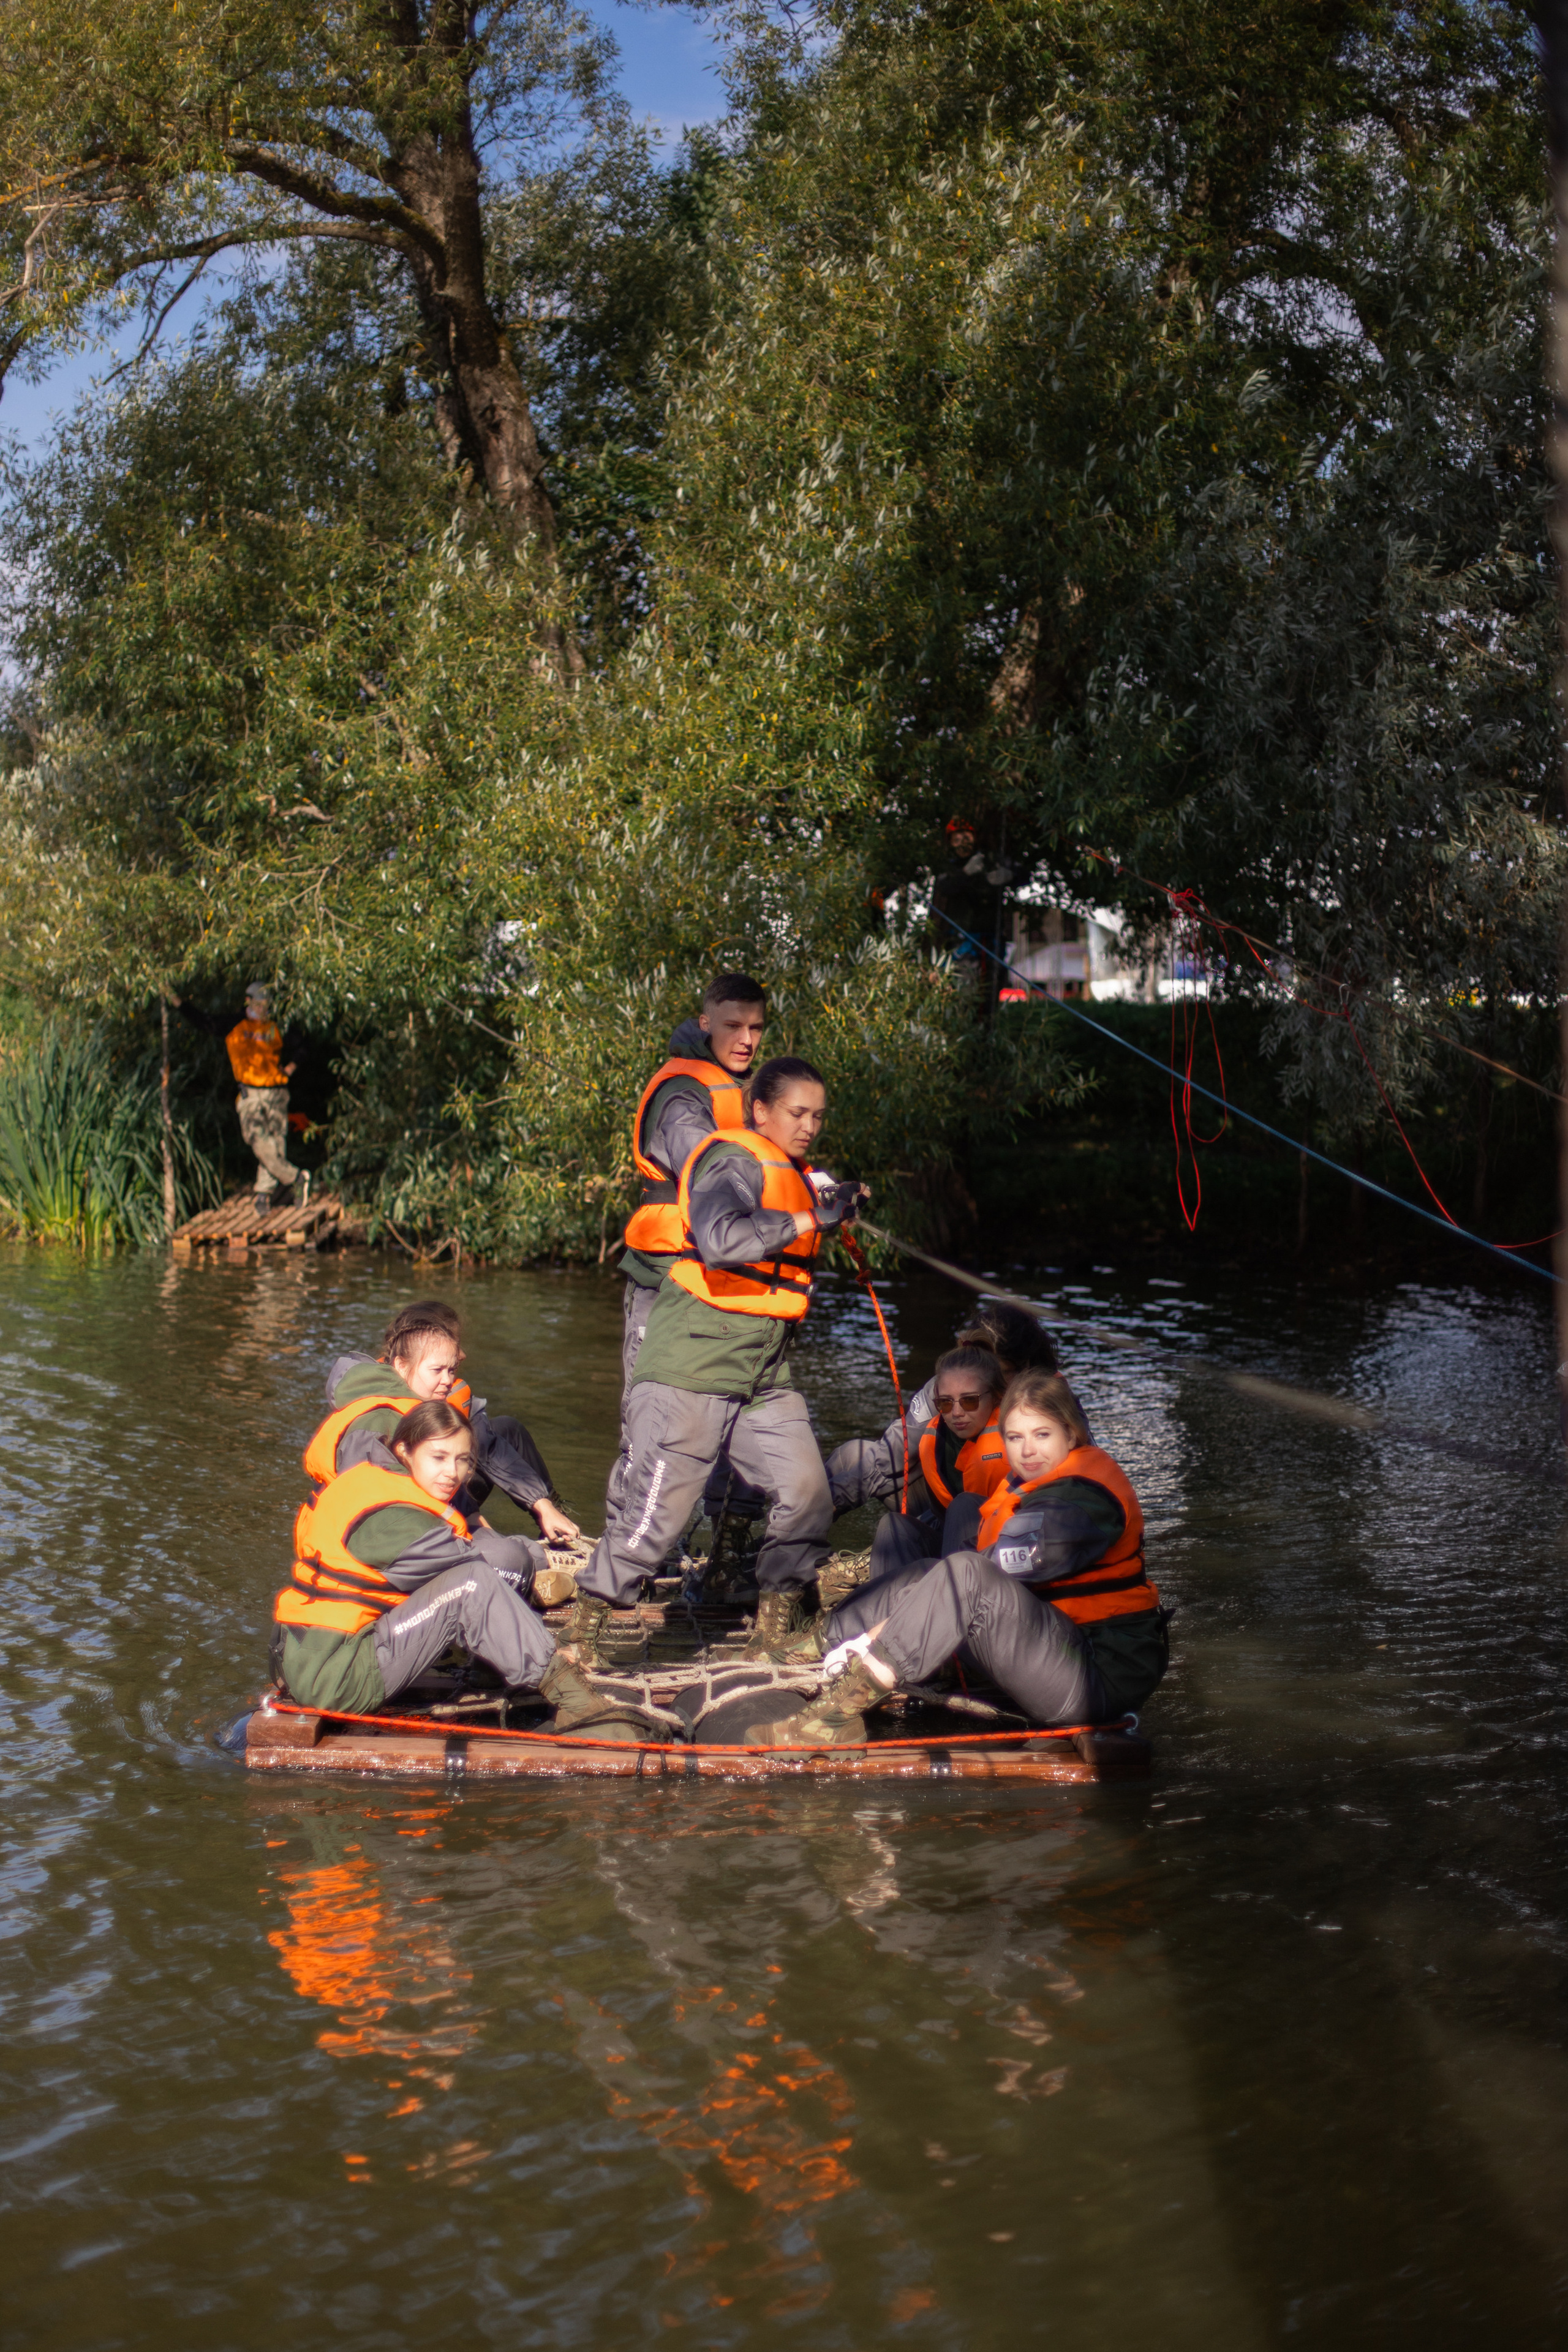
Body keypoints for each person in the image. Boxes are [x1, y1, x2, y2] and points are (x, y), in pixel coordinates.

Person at [562, 1055, 866, 1664]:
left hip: (762, 1372)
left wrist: (828, 1206)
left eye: (818, 1117)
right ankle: (580, 1641)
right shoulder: (732, 1160)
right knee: (654, 1527)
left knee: (806, 1493)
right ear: (760, 1111)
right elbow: (723, 1240)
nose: (809, 1127)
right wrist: (812, 1215)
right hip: (693, 1364)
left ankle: (774, 1626)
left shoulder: (799, 1176)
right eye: (796, 1113)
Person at [753, 1370, 1165, 1746]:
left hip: (1097, 1677)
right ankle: (810, 1646)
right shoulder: (1029, 1481)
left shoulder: (1085, 1495)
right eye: (1016, 1438)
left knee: (962, 1574)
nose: (1027, 1450)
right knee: (931, 1572)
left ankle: (840, 1714)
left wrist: (880, 1636)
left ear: (1071, 1436)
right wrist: (880, 1624)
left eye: (1043, 1435)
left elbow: (1011, 1563)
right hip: (1057, 1646)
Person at [272, 1400, 647, 1740]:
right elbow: (484, 1574)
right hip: (339, 1678)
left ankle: (507, 1663)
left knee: (472, 1580)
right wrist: (538, 1567)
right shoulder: (398, 1522)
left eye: (463, 1460)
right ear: (404, 1451)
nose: (452, 1473)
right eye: (439, 1457)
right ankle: (579, 1704)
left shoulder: (366, 1479)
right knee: (472, 1586)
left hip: (306, 1655)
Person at [611, 973, 769, 1514]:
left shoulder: (745, 1091)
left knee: (732, 1422)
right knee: (649, 1422)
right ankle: (627, 1554)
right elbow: (708, 1165)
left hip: (720, 1283)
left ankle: (729, 1555)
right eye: (733, 1026)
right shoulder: (682, 1094)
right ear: (706, 1024)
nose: (746, 1039)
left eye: (756, 1028)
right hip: (663, 1278)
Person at [309, 1300, 579, 1545]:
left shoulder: (436, 1389)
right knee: (512, 1555)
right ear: (404, 1363)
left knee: (506, 1429)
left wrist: (542, 1506)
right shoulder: (378, 1418)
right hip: (393, 1522)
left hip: (437, 1491)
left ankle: (554, 1525)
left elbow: (489, 1444)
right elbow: (369, 1503)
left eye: (451, 1365)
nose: (462, 1355)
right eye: (452, 1345)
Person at [826, 1300, 1061, 1529]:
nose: (989, 1379)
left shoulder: (1052, 1399)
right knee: (852, 1456)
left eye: (1001, 1371)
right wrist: (828, 1505)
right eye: (979, 1366)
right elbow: (893, 1451)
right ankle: (801, 1539)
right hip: (943, 1509)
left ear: (1026, 1367)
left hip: (1013, 1522)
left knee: (965, 1507)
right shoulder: (946, 1390)